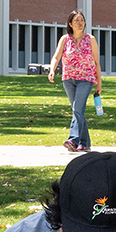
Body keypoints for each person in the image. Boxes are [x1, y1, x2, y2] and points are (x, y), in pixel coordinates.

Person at [46, 11, 100, 152]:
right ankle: (85, 143)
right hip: (68, 79)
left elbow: (96, 62)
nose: (80, 23)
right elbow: (56, 57)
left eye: (82, 20)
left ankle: (73, 140)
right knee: (78, 110)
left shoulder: (91, 39)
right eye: (77, 20)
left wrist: (99, 83)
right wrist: (52, 70)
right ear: (70, 24)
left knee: (77, 109)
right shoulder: (65, 39)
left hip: (86, 79)